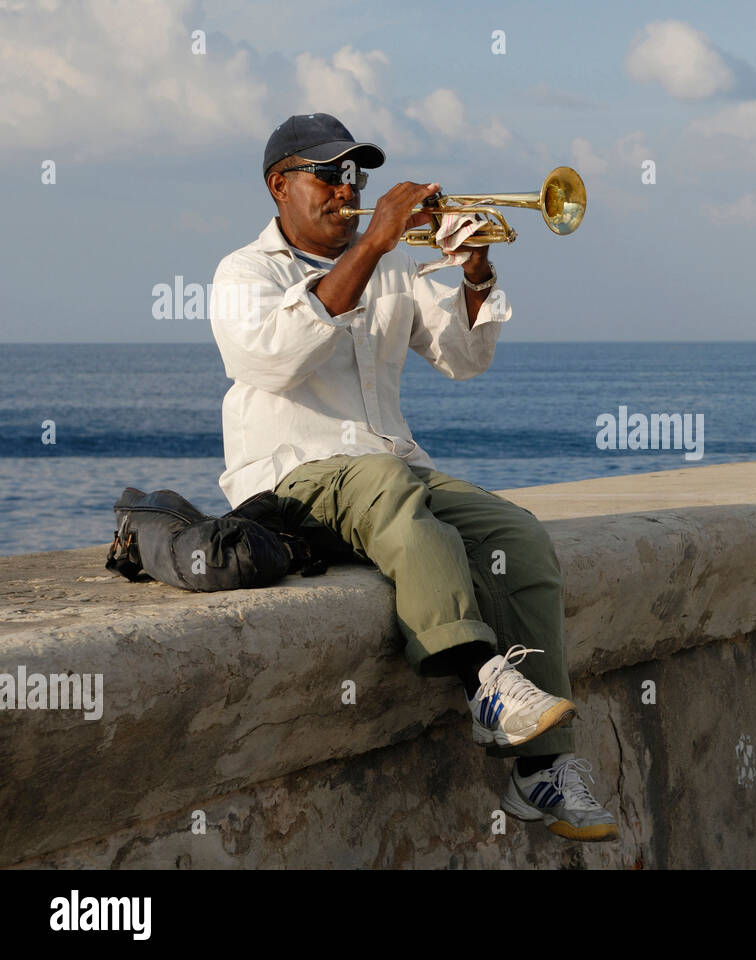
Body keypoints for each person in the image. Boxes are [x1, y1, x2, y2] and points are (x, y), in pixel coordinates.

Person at [208, 113, 617, 843]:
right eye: (329, 175)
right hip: (291, 478)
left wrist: (474, 273)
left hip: (387, 468)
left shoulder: (395, 263)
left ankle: (541, 773)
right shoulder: (247, 272)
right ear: (280, 185)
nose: (346, 189)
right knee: (383, 484)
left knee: (516, 537)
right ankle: (482, 682)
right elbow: (269, 361)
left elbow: (464, 359)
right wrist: (372, 242)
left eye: (354, 175)